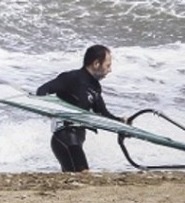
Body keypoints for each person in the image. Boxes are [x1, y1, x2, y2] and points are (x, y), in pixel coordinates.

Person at [36, 44, 122, 173]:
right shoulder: (71, 78)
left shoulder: (95, 87)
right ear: (96, 64)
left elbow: (103, 113)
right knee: (83, 175)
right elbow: (42, 91)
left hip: (78, 137)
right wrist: (50, 111)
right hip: (64, 137)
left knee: (75, 178)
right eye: (108, 65)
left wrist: (121, 122)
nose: (110, 70)